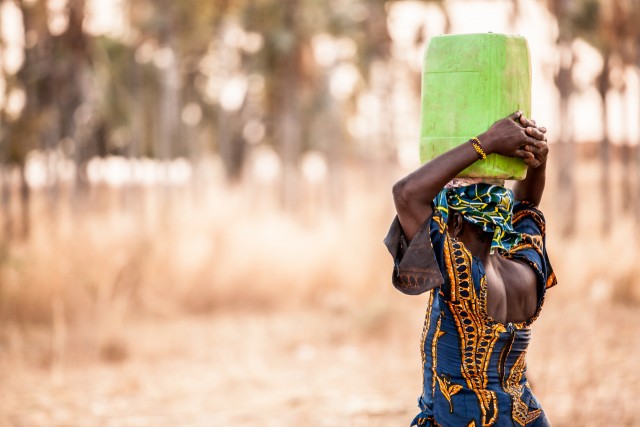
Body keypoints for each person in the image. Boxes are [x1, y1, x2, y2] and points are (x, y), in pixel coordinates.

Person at [384, 111, 557, 427]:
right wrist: (537, 157)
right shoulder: (525, 269)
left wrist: (487, 142)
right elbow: (528, 207)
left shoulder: (462, 275)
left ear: (455, 221)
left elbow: (406, 194)